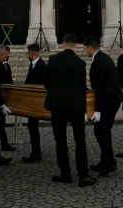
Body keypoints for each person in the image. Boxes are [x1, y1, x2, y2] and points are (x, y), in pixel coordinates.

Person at [43, 34, 96, 187]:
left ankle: (65, 173)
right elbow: (82, 86)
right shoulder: (80, 63)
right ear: (76, 45)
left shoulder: (53, 59)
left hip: (57, 104)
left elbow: (46, 82)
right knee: (80, 140)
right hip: (76, 104)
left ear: (63, 44)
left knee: (60, 139)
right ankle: (83, 176)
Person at [84, 36, 123, 176]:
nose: (85, 51)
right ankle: (105, 161)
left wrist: (98, 110)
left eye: (85, 49)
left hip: (108, 101)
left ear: (90, 48)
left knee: (100, 131)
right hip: (113, 98)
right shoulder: (104, 58)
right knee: (104, 130)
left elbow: (99, 89)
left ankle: (110, 162)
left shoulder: (97, 63)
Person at [22, 43, 47, 163]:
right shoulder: (33, 64)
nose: (27, 55)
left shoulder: (41, 66)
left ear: (31, 53)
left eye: (27, 53)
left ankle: (36, 153)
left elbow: (41, 86)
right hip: (31, 102)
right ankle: (35, 152)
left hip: (36, 102)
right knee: (32, 127)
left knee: (33, 127)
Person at [0, 45, 16, 152]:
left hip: (4, 97)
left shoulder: (7, 66)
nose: (8, 57)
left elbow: (9, 81)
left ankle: (3, 143)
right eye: (7, 55)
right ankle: (4, 143)